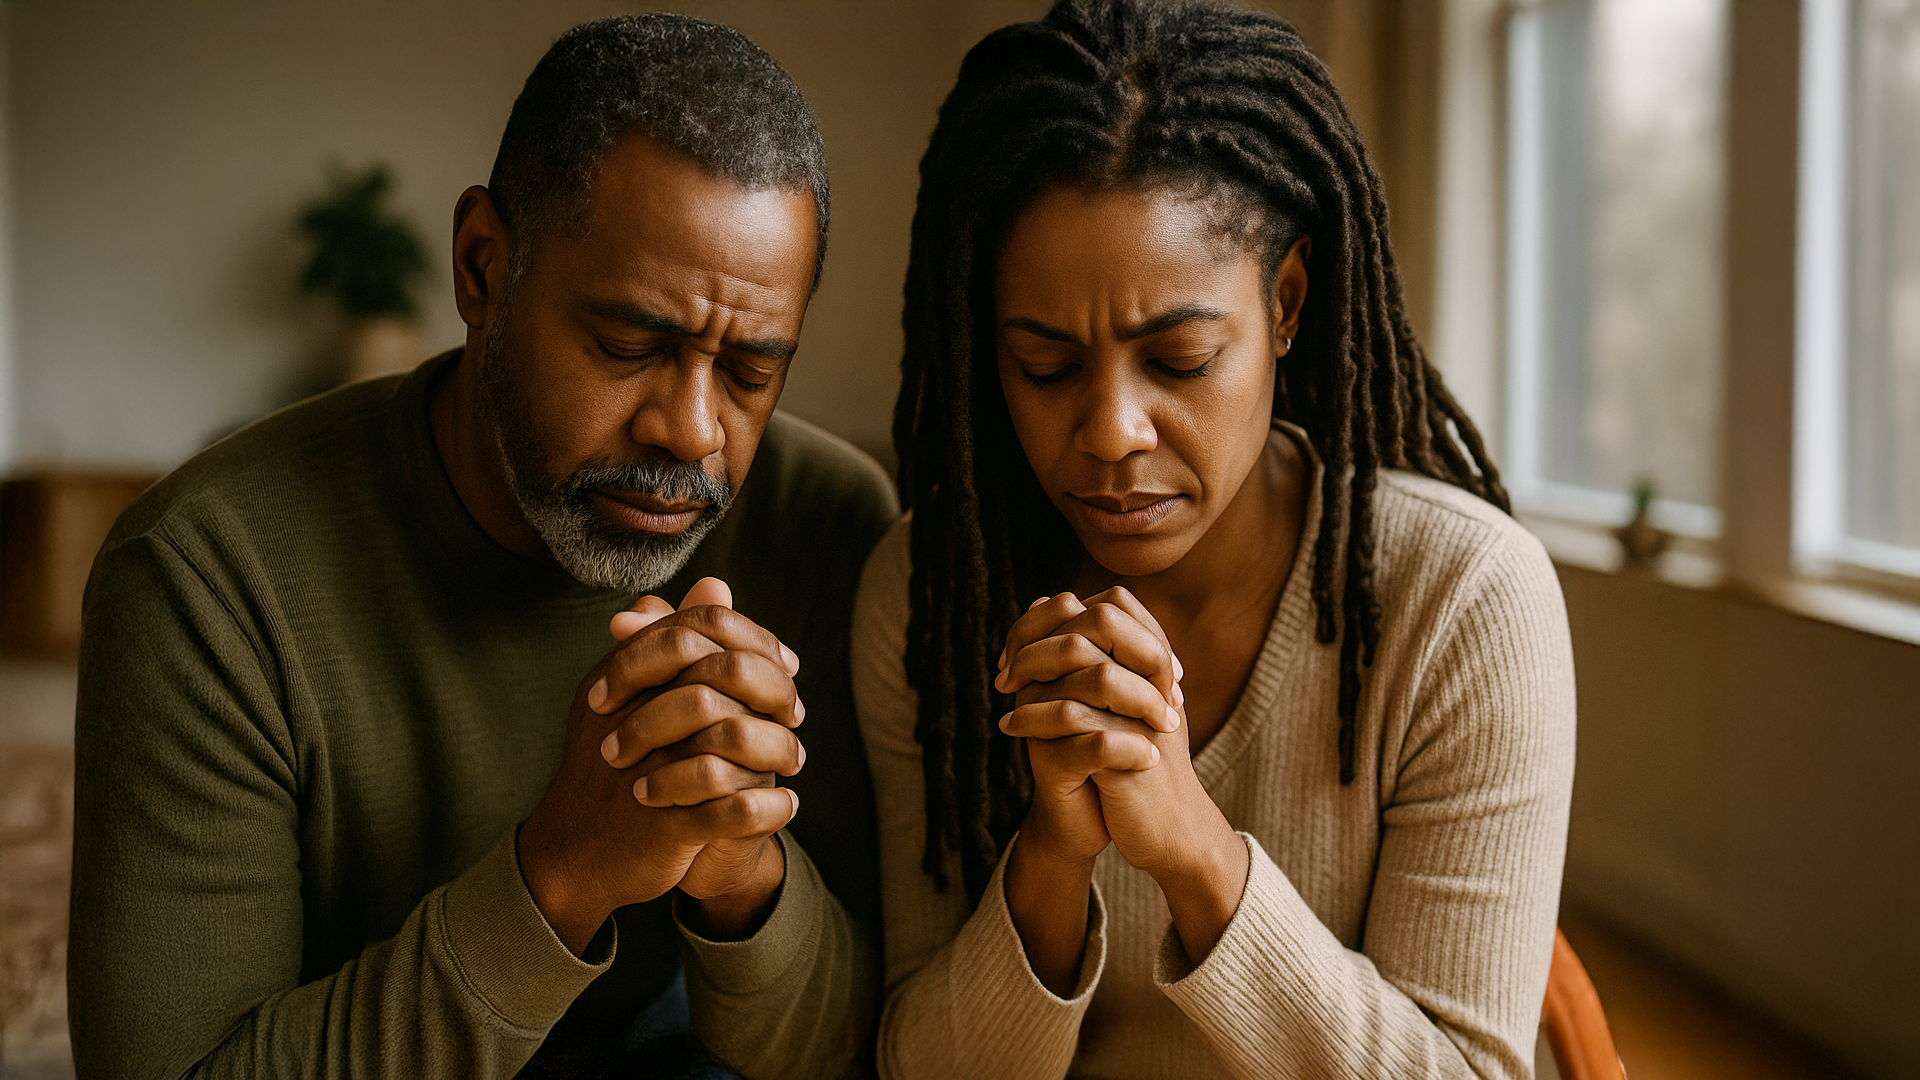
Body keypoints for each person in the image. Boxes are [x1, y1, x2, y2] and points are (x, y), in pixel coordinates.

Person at [69, 15, 890, 1080]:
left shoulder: (829, 521)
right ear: (482, 268)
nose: (692, 431)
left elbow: (863, 1049)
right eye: (629, 344)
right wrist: (562, 874)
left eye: (750, 372)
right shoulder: (204, 579)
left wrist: (743, 872)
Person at [852, 1, 1577, 1077]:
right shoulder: (931, 594)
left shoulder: (1464, 600)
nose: (1111, 432)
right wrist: (1050, 859)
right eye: (1045, 366)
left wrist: (1194, 851)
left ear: (1286, 302)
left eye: (1180, 360)